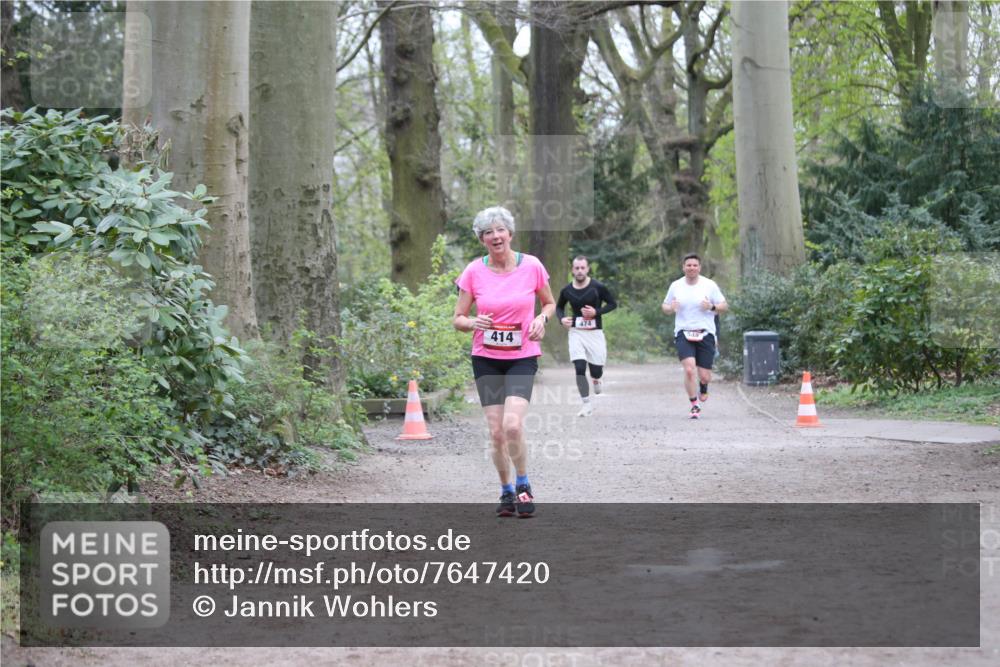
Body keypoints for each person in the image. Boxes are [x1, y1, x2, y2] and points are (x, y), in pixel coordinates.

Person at [453, 206, 556, 518]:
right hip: (486, 359)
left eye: (500, 230)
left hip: (522, 357)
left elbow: (550, 303)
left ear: (510, 234)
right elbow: (458, 318)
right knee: (496, 432)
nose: (495, 236)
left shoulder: (532, 266)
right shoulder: (473, 272)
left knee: (512, 425)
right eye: (488, 232)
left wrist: (542, 318)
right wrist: (473, 323)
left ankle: (523, 484)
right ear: (482, 240)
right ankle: (505, 490)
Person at [661, 253, 728, 419]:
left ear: (699, 268)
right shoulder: (676, 285)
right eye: (688, 265)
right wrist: (671, 308)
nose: (691, 268)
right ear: (683, 267)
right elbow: (665, 306)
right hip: (683, 331)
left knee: (704, 376)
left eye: (694, 265)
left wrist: (711, 307)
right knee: (690, 369)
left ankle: (703, 387)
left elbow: (724, 306)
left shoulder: (709, 285)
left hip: (706, 333)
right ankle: (694, 404)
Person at [556, 256, 617, 416]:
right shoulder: (566, 290)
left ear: (588, 269)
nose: (580, 271)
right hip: (576, 332)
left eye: (583, 268)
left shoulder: (598, 287)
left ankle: (597, 379)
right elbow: (559, 308)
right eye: (577, 268)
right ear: (572, 270)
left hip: (595, 333)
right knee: (580, 368)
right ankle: (586, 404)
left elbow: (612, 304)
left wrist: (596, 312)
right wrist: (562, 319)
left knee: (596, 371)